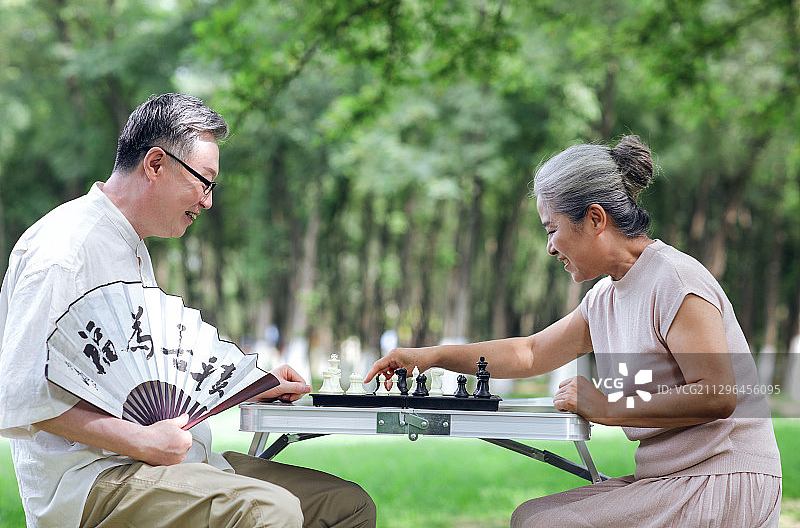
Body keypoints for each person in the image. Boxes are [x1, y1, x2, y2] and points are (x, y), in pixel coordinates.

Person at [0, 93, 376, 528]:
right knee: (270, 511)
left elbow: (141, 375)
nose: (209, 201)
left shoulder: (129, 246)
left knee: (346, 505)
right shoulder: (65, 250)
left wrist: (245, 388)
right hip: (93, 480)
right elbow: (17, 397)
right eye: (205, 181)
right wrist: (142, 441)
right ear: (155, 164)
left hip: (174, 461)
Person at [366, 135, 781, 527]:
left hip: (723, 479)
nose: (549, 247)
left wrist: (610, 407)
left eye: (552, 229)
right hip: (672, 478)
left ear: (595, 218)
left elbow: (718, 393)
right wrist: (430, 357)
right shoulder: (606, 297)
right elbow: (530, 353)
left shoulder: (674, 280)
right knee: (530, 516)